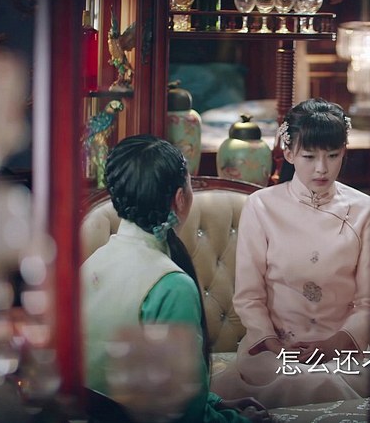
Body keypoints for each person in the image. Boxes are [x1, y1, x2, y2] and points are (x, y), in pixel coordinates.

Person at [81, 135, 270, 423]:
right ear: (180, 199)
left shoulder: (93, 262)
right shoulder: (171, 285)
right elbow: (184, 416)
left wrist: (216, 402)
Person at [212, 98, 370, 407]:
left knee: (329, 379)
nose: (321, 168)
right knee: (293, 379)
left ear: (344, 152)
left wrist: (334, 344)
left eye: (333, 155)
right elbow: (249, 296)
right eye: (309, 156)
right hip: (274, 352)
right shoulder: (261, 206)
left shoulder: (365, 210)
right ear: (289, 153)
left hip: (343, 351)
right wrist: (274, 344)